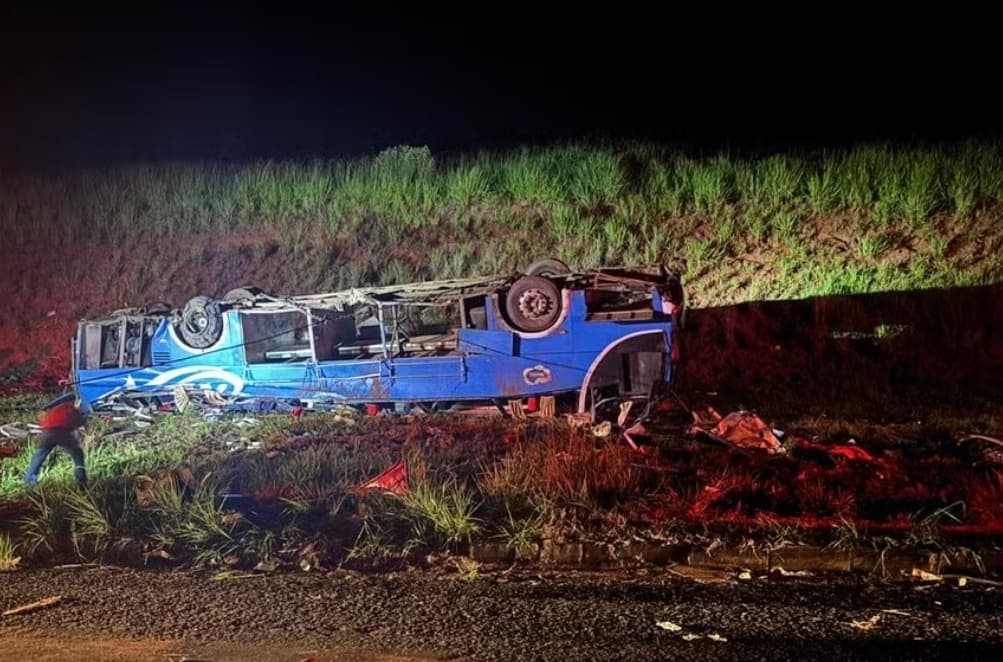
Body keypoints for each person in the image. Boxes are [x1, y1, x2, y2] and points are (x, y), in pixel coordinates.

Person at [25, 397, 88, 489]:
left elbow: (45, 422)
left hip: (45, 433)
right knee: (77, 453)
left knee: (39, 455)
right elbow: (79, 424)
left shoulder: (55, 409)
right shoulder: (72, 410)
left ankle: (30, 481)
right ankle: (81, 480)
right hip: (60, 432)